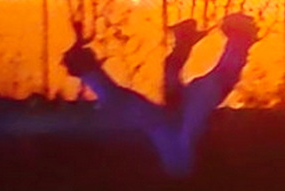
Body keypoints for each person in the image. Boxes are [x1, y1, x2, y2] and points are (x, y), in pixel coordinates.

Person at [61, 12, 259, 177]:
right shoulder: (181, 151)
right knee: (205, 88)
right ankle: (231, 39)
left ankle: (224, 39)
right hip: (179, 145)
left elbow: (127, 104)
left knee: (198, 89)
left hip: (175, 145)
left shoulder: (178, 152)